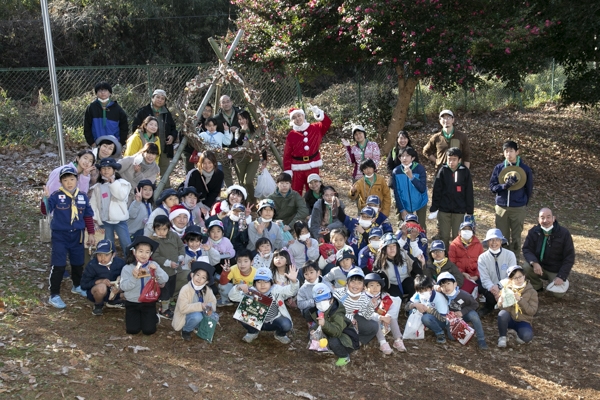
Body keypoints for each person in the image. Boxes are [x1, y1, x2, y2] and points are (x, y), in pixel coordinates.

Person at [42, 166, 96, 309]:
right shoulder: (56, 196)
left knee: (78, 263)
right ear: (61, 182)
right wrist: (45, 198)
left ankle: (77, 285)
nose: (69, 182)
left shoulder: (82, 196)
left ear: (77, 180)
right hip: (60, 235)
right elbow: (45, 211)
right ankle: (54, 295)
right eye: (65, 180)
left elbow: (88, 216)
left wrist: (91, 233)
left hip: (77, 235)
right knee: (59, 264)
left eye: (72, 179)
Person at [229, 267, 299, 344]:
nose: (262, 285)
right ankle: (252, 332)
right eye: (259, 282)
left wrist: (294, 281)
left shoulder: (277, 290)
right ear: (255, 283)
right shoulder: (251, 292)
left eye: (266, 282)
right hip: (255, 321)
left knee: (286, 325)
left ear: (271, 282)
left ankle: (280, 335)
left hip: (274, 320)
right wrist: (237, 288)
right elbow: (233, 297)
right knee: (242, 312)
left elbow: (291, 291)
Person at [490, 140, 534, 257]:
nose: (508, 154)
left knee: (516, 236)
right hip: (502, 207)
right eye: (506, 151)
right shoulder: (499, 168)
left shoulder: (525, 169)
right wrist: (504, 186)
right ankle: (502, 259)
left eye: (511, 151)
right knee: (501, 236)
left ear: (517, 152)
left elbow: (529, 189)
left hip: (518, 208)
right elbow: (492, 187)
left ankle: (515, 260)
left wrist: (523, 203)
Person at [120, 236, 168, 335]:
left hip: (148, 301)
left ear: (150, 253)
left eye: (147, 252)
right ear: (134, 252)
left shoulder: (153, 264)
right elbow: (123, 287)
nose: (143, 255)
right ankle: (139, 319)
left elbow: (165, 279)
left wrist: (157, 270)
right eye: (140, 251)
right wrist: (134, 277)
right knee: (133, 330)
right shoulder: (127, 268)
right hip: (132, 302)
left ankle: (153, 317)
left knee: (149, 331)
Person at [522, 208, 574, 297]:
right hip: (538, 267)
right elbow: (526, 249)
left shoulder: (564, 233)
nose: (545, 220)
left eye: (548, 217)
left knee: (558, 295)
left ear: (554, 218)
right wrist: (534, 263)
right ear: (538, 219)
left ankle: (557, 282)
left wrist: (561, 276)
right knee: (526, 267)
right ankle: (537, 286)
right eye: (542, 218)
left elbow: (569, 257)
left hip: (555, 270)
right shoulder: (534, 231)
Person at [131, 89, 178, 186]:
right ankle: (145, 190)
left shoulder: (167, 113)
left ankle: (165, 193)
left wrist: (172, 136)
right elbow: (135, 127)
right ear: (152, 98)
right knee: (145, 170)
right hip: (147, 148)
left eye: (162, 98)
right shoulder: (143, 111)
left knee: (165, 172)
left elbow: (174, 128)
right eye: (157, 97)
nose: (160, 100)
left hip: (163, 147)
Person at [430, 147, 474, 248]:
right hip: (444, 209)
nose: (451, 162)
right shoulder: (443, 170)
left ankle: (456, 256)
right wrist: (434, 207)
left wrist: (469, 211)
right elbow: (437, 190)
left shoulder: (465, 172)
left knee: (457, 236)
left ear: (459, 160)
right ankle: (444, 255)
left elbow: (469, 192)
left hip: (459, 210)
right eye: (449, 159)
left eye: (454, 159)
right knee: (444, 236)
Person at [307, 283, 359, 367]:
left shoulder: (337, 313)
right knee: (311, 334)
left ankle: (344, 356)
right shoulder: (318, 310)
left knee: (333, 341)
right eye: (318, 301)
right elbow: (318, 324)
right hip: (329, 330)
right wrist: (314, 330)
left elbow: (337, 332)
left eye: (324, 300)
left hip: (345, 338)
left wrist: (324, 324)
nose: (321, 303)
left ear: (331, 300)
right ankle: (328, 347)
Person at [283, 106, 332, 194]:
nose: (297, 119)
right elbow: (287, 154)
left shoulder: (315, 128)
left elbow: (327, 123)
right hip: (297, 168)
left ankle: (314, 207)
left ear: (303, 115)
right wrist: (288, 170)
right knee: (296, 191)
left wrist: (318, 113)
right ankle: (297, 207)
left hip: (313, 165)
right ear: (292, 121)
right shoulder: (291, 135)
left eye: (299, 115)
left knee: (314, 190)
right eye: (294, 117)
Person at [436, 272, 489, 349]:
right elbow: (429, 289)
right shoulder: (441, 295)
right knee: (452, 338)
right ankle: (454, 328)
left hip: (464, 314)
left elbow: (475, 305)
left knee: (473, 315)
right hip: (451, 319)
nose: (446, 287)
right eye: (443, 286)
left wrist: (462, 312)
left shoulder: (463, 295)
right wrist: (435, 288)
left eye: (448, 283)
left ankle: (481, 339)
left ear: (455, 284)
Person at [89, 158, 132, 252]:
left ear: (114, 170)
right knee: (108, 244)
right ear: (100, 171)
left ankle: (130, 262)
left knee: (126, 243)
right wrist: (95, 217)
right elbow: (93, 203)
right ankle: (111, 263)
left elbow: (121, 196)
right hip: (105, 220)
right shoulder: (98, 187)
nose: (106, 171)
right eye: (103, 169)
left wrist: (113, 183)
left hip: (120, 219)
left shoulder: (123, 183)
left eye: (109, 168)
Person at [228, 110, 269, 205]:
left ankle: (253, 200)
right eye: (239, 119)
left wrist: (264, 159)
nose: (241, 121)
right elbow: (238, 143)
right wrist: (243, 131)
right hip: (240, 158)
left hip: (253, 158)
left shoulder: (256, 130)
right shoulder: (238, 131)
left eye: (243, 118)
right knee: (241, 182)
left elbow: (262, 145)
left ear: (248, 119)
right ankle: (247, 203)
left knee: (248, 181)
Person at [332, 268, 379, 347]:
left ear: (363, 286)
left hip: (352, 319)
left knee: (374, 326)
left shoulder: (364, 298)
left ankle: (357, 340)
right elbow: (333, 311)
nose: (355, 285)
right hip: (338, 319)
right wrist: (349, 317)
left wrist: (371, 305)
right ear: (347, 282)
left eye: (359, 282)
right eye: (353, 281)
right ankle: (342, 340)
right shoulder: (339, 293)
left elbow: (367, 316)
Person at [151, 214, 185, 320]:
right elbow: (155, 256)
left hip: (174, 269)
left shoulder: (174, 236)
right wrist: (167, 262)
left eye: (164, 229)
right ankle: (164, 309)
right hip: (163, 270)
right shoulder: (154, 241)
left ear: (169, 228)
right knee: (165, 289)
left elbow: (181, 246)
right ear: (154, 229)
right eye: (158, 229)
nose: (161, 232)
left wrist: (181, 257)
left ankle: (169, 303)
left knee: (171, 288)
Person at [172, 262, 217, 341]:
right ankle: (186, 330)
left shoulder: (208, 290)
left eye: (203, 277)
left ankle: (199, 327)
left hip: (202, 313)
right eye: (197, 275)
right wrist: (200, 306)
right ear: (192, 275)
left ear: (206, 282)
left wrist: (208, 307)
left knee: (214, 316)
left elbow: (213, 303)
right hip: (186, 316)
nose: (199, 279)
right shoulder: (185, 289)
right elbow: (183, 308)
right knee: (197, 316)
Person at [80, 239, 126, 316]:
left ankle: (113, 302)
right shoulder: (92, 265)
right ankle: (98, 305)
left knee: (132, 292)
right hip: (97, 292)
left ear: (113, 254)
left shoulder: (120, 263)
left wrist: (119, 282)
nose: (102, 258)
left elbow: (127, 277)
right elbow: (83, 285)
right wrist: (98, 281)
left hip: (115, 291)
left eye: (106, 255)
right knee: (101, 287)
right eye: (99, 255)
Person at [477, 229, 517, 317]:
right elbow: (484, 279)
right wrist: (495, 290)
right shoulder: (482, 258)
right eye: (491, 240)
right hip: (491, 288)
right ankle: (489, 307)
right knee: (486, 292)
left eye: (497, 239)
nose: (494, 242)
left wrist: (499, 286)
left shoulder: (510, 255)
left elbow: (512, 275)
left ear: (501, 241)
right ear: (487, 242)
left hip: (507, 286)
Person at [497, 265, 538, 347]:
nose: (519, 279)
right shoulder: (507, 290)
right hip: (511, 319)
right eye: (515, 278)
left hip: (523, 320)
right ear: (510, 280)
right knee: (502, 314)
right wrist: (500, 303)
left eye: (520, 276)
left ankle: (517, 333)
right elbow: (504, 310)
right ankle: (502, 337)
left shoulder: (531, 292)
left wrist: (520, 300)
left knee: (527, 337)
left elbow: (532, 311)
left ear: (524, 276)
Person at [364, 272, 406, 353]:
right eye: (371, 285)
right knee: (376, 321)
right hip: (370, 320)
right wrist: (380, 317)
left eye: (378, 285)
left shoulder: (384, 296)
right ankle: (382, 342)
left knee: (392, 318)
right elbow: (366, 313)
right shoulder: (363, 298)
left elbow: (393, 307)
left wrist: (388, 316)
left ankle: (398, 340)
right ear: (366, 287)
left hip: (383, 318)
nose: (375, 288)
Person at [372, 234, 423, 299]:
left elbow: (417, 268)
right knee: (396, 298)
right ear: (384, 248)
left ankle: (411, 304)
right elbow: (375, 278)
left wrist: (419, 280)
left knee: (415, 284)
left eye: (394, 245)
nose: (392, 248)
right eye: (388, 246)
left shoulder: (405, 254)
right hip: (391, 285)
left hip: (405, 281)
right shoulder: (379, 261)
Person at [405, 275, 450, 344]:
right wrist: (415, 305)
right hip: (429, 315)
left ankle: (440, 333)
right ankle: (419, 328)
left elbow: (444, 318)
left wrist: (430, 310)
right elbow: (407, 306)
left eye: (426, 290)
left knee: (426, 318)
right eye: (421, 291)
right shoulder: (418, 294)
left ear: (432, 288)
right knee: (413, 310)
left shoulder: (439, 298)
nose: (423, 293)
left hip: (441, 321)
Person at [84, 82, 128, 148]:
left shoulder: (117, 108)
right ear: (96, 93)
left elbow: (124, 127)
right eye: (100, 90)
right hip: (96, 143)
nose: (102, 92)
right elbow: (87, 127)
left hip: (114, 144)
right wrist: (91, 142)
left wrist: (120, 143)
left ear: (110, 92)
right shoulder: (91, 107)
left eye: (105, 90)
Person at [391, 147, 428, 226]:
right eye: (402, 156)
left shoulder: (419, 169)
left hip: (420, 202)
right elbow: (396, 193)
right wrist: (402, 209)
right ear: (399, 158)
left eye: (407, 156)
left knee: (420, 227)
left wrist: (411, 177)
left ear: (413, 158)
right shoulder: (396, 171)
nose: (405, 158)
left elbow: (422, 189)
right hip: (405, 204)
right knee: (405, 227)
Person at [449, 220, 484, 295]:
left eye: (469, 229)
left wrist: (477, 276)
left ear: (473, 232)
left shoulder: (478, 245)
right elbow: (452, 263)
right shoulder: (453, 245)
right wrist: (462, 273)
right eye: (464, 229)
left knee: (483, 287)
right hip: (459, 274)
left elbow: (482, 263)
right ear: (459, 232)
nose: (466, 231)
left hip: (475, 274)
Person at [214, 95, 241, 187]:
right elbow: (215, 132)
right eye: (223, 102)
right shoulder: (217, 118)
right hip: (224, 149)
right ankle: (231, 191)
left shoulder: (240, 113)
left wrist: (238, 129)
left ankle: (243, 192)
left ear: (232, 102)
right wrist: (227, 130)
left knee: (240, 172)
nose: (226, 104)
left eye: (227, 101)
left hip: (239, 147)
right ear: (220, 105)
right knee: (226, 173)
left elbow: (248, 126)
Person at [183, 102, 213, 172]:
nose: (206, 112)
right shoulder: (193, 120)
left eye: (209, 111)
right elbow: (183, 133)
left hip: (203, 151)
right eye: (205, 110)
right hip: (189, 150)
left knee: (203, 172)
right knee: (190, 172)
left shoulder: (211, 123)